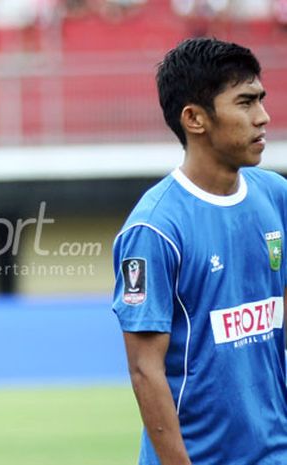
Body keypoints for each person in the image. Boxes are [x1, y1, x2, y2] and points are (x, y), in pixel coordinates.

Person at [112, 37, 287, 464]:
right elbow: (144, 370)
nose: (263, 117)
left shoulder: (276, 195)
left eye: (261, 100)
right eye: (245, 103)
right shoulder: (155, 228)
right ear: (195, 118)